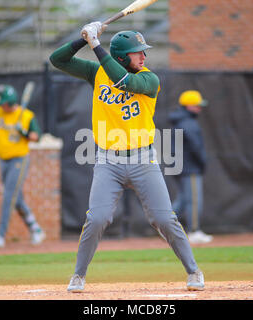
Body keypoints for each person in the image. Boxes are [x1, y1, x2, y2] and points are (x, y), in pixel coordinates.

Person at [49, 22, 204, 292]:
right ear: (121, 56)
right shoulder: (96, 72)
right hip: (108, 161)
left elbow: (123, 81)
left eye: (143, 51)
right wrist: (82, 39)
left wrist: (96, 44)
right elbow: (57, 60)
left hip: (143, 160)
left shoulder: (149, 78)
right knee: (97, 219)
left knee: (164, 219)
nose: (143, 56)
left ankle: (193, 271)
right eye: (137, 52)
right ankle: (78, 275)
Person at [0, 84, 46, 248]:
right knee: (17, 198)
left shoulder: (26, 115)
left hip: (19, 160)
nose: (2, 107)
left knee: (8, 196)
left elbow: (37, 137)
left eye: (5, 104)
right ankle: (36, 229)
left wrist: (25, 133)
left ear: (11, 102)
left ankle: (0, 235)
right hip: (3, 159)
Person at [169, 90, 213, 244]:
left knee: (183, 200)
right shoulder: (188, 123)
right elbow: (196, 147)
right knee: (193, 201)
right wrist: (202, 162)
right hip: (189, 168)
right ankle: (194, 231)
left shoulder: (180, 121)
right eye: (197, 105)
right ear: (188, 106)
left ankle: (164, 225)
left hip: (180, 167)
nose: (199, 108)